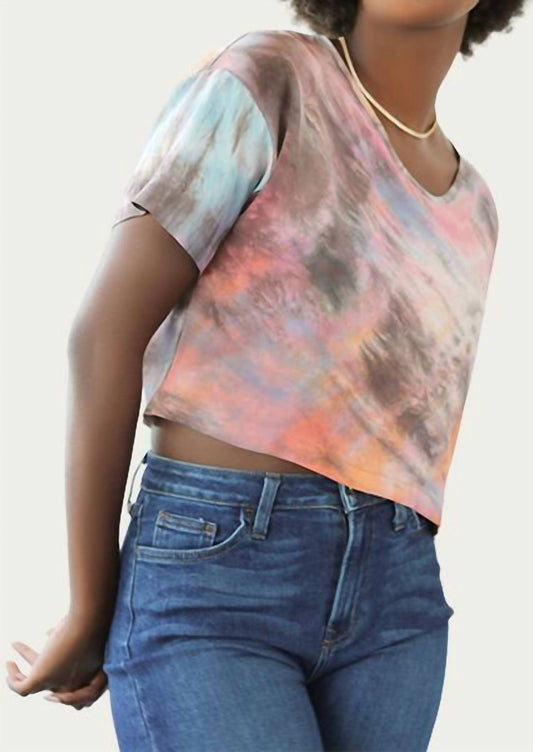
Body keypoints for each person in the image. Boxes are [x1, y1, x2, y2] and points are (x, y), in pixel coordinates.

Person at [6, 1, 526, 749]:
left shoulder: (476, 208)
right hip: (216, 576)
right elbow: (103, 333)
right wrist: (91, 606)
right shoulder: (267, 80)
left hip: (397, 604)